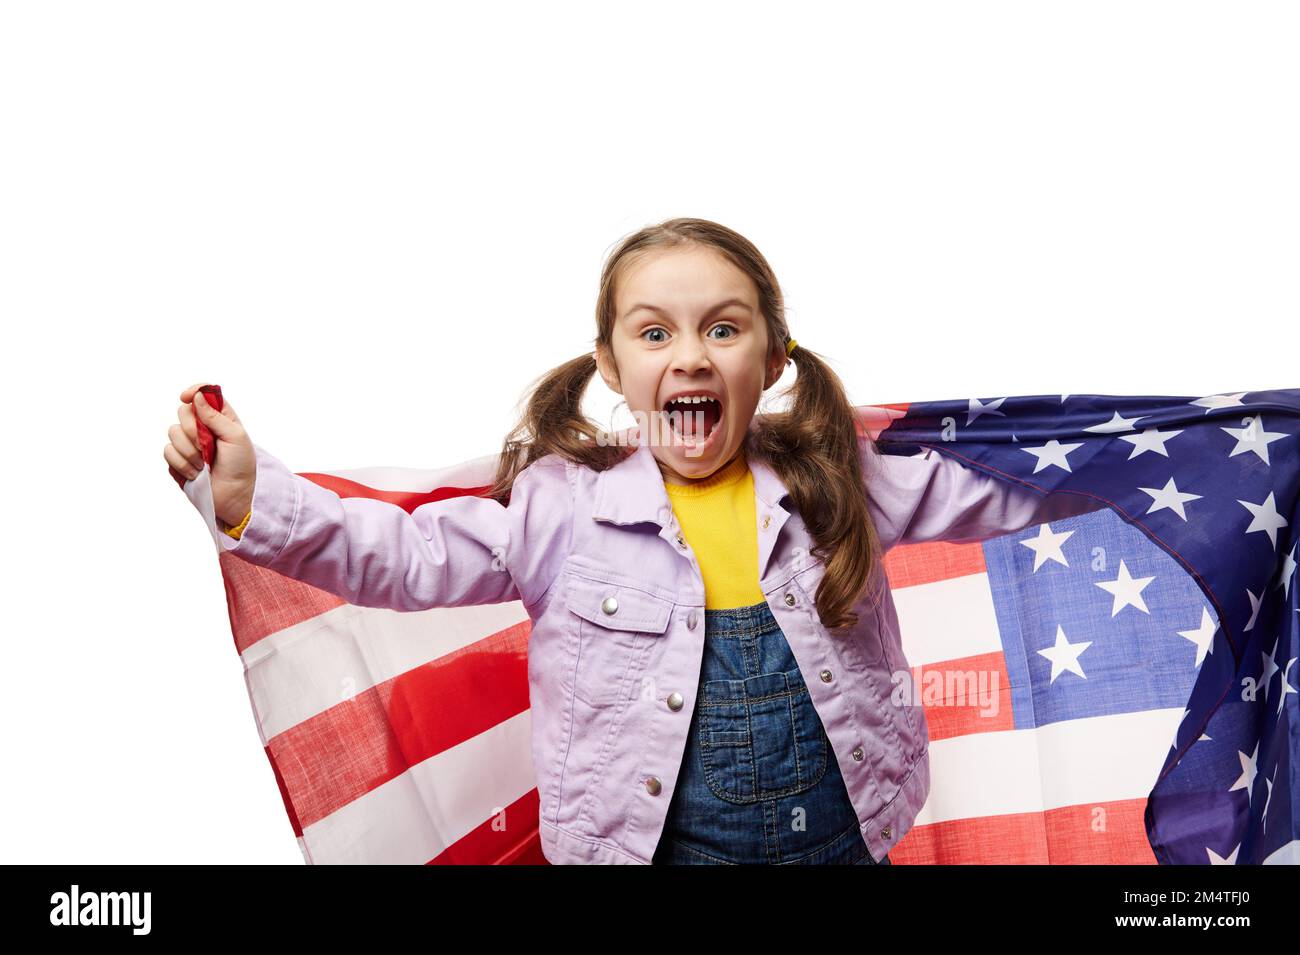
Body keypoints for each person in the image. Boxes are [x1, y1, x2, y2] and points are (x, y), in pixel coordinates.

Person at [163, 217, 1104, 864]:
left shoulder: (838, 481)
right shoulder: (562, 510)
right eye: (655, 333)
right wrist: (254, 501)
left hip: (843, 837)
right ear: (612, 367)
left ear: (772, 359)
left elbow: (1001, 488)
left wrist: (1172, 472)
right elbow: (406, 557)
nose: (690, 354)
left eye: (723, 328)